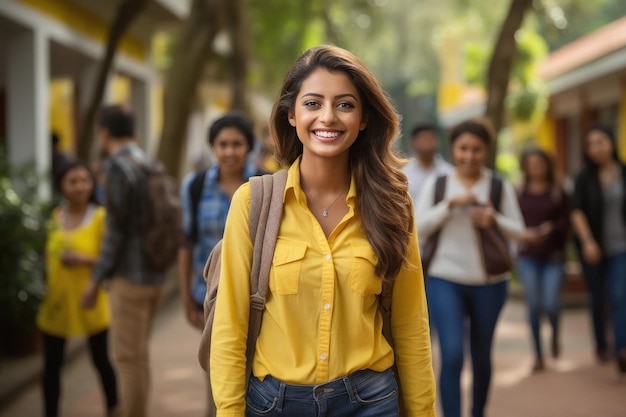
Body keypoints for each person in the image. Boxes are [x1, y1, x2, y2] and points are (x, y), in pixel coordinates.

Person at [209, 45, 436, 416]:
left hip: (371, 401)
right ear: (292, 116)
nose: (328, 117)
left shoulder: (394, 205)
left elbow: (411, 324)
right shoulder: (253, 203)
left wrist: (423, 411)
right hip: (275, 404)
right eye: (313, 103)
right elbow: (230, 327)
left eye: (345, 104)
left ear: (363, 118)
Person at [415, 119, 525, 417]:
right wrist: (449, 206)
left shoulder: (498, 185)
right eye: (463, 148)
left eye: (477, 150)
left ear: (486, 151)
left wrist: (494, 219)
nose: (469, 156)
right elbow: (416, 228)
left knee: (481, 355)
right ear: (453, 149)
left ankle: (477, 411)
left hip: (490, 282)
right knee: (451, 354)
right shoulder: (438, 184)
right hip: (444, 278)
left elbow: (518, 230)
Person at [82, 105, 166, 417]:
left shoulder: (117, 167)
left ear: (104, 133)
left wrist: (94, 281)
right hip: (156, 274)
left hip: (129, 279)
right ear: (135, 132)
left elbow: (114, 233)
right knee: (139, 357)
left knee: (128, 361)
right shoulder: (148, 163)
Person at [178, 112, 260, 417]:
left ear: (248, 147)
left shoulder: (265, 184)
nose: (229, 151)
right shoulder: (195, 186)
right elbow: (186, 242)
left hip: (258, 299)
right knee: (217, 374)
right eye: (222, 144)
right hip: (209, 298)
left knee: (256, 374)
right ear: (213, 147)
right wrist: (187, 295)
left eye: (237, 144)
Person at [37, 160, 118, 417]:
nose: (80, 186)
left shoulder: (100, 217)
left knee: (101, 361)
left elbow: (111, 260)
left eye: (85, 180)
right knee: (51, 366)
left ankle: (114, 409)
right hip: (57, 301)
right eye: (73, 181)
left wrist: (84, 259)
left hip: (90, 299)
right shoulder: (55, 217)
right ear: (62, 186)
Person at [571, 124, 626, 373]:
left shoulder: (623, 172)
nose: (596, 148)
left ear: (611, 143)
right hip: (594, 246)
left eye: (600, 142)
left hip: (621, 247)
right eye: (591, 144)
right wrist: (588, 242)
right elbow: (577, 211)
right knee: (598, 296)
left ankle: (621, 349)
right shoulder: (584, 177)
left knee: (618, 294)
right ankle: (601, 343)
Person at [516, 147, 570, 372]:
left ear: (547, 165)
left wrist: (552, 228)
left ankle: (555, 334)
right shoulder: (518, 191)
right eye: (531, 163)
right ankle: (538, 355)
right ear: (525, 166)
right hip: (527, 256)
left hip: (553, 257)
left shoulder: (558, 191)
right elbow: (512, 221)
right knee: (534, 305)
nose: (535, 167)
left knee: (550, 303)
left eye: (540, 163)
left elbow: (568, 222)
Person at [403, 122, 452, 205]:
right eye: (423, 138)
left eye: (432, 138)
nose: (428, 142)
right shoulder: (405, 174)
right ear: (413, 142)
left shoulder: (448, 172)